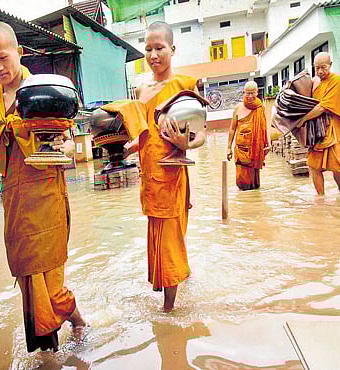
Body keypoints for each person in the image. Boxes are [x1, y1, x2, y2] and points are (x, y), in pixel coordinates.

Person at [0, 21, 86, 353]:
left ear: (19, 52)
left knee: (52, 289)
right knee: (30, 287)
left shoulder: (42, 91)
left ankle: (77, 321)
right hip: (16, 206)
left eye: (4, 58)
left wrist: (67, 149)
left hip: (45, 201)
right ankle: (49, 354)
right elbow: (6, 160)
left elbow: (68, 142)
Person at [124, 21, 205, 312]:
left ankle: (169, 310)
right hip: (149, 175)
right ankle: (183, 275)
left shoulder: (185, 85)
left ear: (173, 48)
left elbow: (200, 136)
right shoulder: (141, 89)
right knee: (162, 237)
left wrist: (185, 144)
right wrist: (133, 145)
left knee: (169, 241)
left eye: (160, 48)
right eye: (148, 49)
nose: (154, 55)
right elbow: (146, 130)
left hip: (171, 174)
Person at [296, 52, 340, 195]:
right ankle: (320, 197)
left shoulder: (335, 81)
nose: (320, 71)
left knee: (336, 165)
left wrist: (303, 119)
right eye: (317, 68)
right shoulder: (314, 82)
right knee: (313, 166)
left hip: (333, 129)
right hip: (317, 130)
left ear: (330, 66)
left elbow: (322, 107)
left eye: (323, 68)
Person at [226, 81, 269, 190]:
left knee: (255, 185)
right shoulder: (238, 108)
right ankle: (243, 204)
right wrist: (228, 148)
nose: (250, 96)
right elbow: (232, 129)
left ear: (257, 93)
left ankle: (254, 205)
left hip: (255, 150)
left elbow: (264, 128)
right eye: (247, 93)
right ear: (243, 93)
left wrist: (268, 144)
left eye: (252, 93)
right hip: (241, 150)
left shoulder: (260, 108)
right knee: (242, 183)